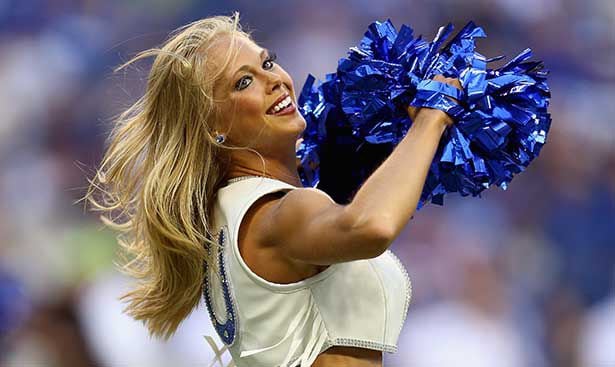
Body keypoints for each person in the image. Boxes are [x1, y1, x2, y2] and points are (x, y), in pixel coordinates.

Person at [87, 13, 461, 367]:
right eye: (243, 83)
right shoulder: (277, 214)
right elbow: (370, 226)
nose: (275, 80)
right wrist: (431, 117)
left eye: (267, 63)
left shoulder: (230, 213)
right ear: (213, 129)